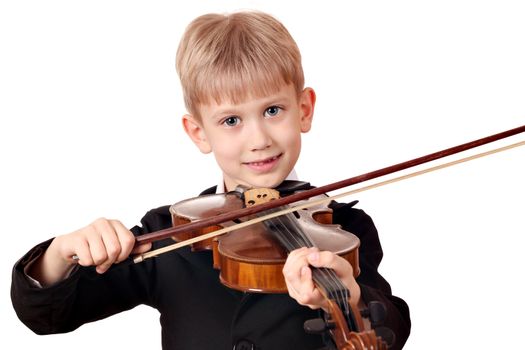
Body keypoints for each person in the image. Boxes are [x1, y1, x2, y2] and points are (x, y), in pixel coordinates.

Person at [11, 11, 410, 350]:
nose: (259, 139)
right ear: (199, 132)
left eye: (273, 110)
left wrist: (349, 299)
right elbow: (49, 317)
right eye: (231, 121)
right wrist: (58, 255)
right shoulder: (171, 233)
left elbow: (391, 323)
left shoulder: (343, 230)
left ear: (304, 110)